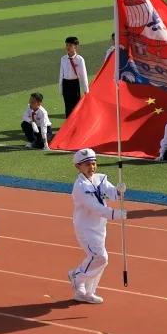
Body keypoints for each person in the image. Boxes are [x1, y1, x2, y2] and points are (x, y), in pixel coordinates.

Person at [68, 149, 126, 305]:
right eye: (87, 164)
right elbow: (96, 208)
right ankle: (77, 276)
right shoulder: (80, 187)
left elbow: (111, 192)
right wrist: (116, 214)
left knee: (100, 260)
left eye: (93, 163)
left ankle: (87, 292)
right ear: (78, 167)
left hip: (100, 227)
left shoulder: (100, 179)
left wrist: (119, 191)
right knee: (100, 257)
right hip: (86, 228)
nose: (91, 167)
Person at [58, 36, 89, 117]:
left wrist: (86, 90)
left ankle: (77, 125)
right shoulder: (63, 58)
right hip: (66, 83)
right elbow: (61, 74)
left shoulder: (80, 59)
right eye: (67, 45)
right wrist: (60, 88)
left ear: (76, 46)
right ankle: (68, 125)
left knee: (76, 106)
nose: (68, 47)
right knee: (67, 106)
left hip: (74, 84)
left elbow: (83, 75)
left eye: (70, 45)